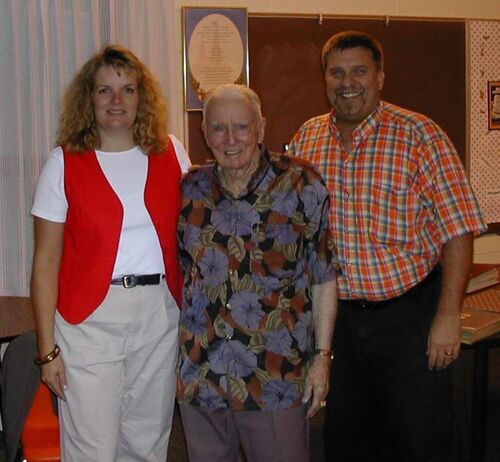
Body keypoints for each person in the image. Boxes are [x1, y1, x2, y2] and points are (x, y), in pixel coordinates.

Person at [288, 31, 487, 462]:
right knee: (348, 441)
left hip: (408, 319)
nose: (347, 82)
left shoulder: (420, 135)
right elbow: (296, 235)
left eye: (359, 71)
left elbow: (459, 230)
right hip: (341, 324)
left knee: (421, 439)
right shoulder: (307, 140)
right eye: (336, 72)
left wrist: (448, 316)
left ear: (380, 76)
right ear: (324, 78)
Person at [30, 44, 190, 461]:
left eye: (127, 89)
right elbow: (45, 264)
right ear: (89, 99)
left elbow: (194, 240)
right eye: (104, 91)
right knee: (93, 446)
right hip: (90, 321)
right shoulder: (63, 163)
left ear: (143, 97)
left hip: (159, 314)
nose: (116, 101)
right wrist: (47, 351)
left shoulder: (172, 152)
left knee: (147, 440)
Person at [176, 84, 338, 462]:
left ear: (261, 128)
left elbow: (324, 276)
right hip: (203, 377)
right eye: (218, 128)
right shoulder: (189, 189)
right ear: (204, 132)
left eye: (242, 127)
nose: (230, 139)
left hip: (275, 378)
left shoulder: (302, 183)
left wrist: (322, 358)